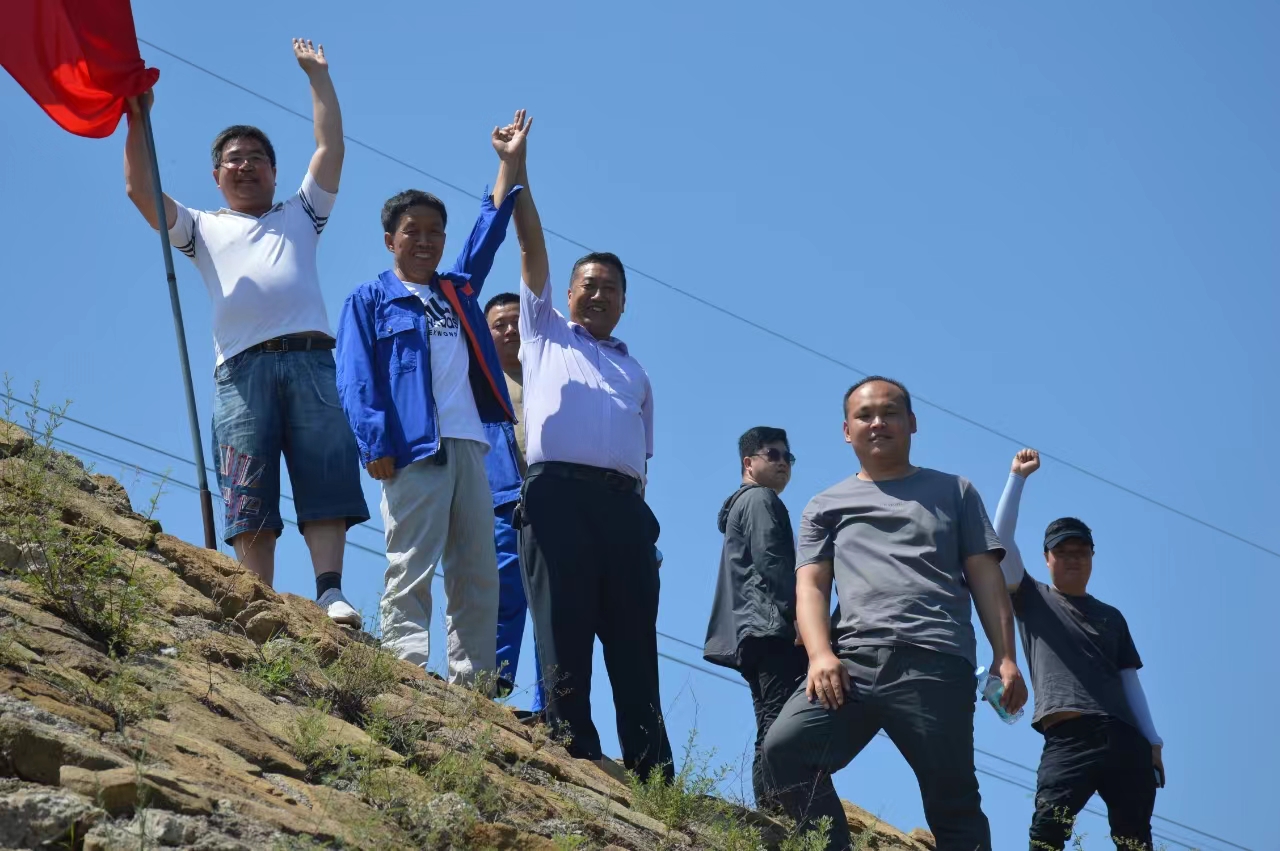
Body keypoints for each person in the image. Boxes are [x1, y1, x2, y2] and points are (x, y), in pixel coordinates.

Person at [122, 39, 368, 626]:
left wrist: (318, 77)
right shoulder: (202, 227)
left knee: (324, 472)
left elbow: (331, 147)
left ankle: (329, 591)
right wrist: (137, 118)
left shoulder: (301, 213)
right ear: (216, 175)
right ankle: (256, 597)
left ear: (274, 172)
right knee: (246, 481)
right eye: (234, 158)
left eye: (257, 157)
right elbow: (140, 191)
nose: (246, 164)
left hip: (311, 359)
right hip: (240, 369)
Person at [762, 376, 1027, 851]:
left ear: (912, 423)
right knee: (784, 750)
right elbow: (812, 586)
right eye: (864, 415)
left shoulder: (955, 492)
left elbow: (987, 579)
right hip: (851, 666)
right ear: (847, 430)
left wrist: (1005, 657)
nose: (877, 423)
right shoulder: (825, 506)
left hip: (935, 663)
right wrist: (820, 655)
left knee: (954, 804)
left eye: (890, 413)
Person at [333, 111, 527, 688]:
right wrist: (374, 443)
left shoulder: (456, 290)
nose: (424, 241)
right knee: (412, 561)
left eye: (434, 232)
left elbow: (488, 232)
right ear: (390, 239)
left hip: (471, 446)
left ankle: (473, 681)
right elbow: (355, 377)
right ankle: (404, 669)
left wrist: (507, 163)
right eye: (412, 231)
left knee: (477, 568)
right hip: (412, 448)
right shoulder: (370, 299)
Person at [508, 121, 674, 782]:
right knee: (564, 626)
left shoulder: (638, 372)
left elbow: (643, 460)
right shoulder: (543, 331)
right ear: (569, 292)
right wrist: (516, 169)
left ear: (625, 302)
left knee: (635, 643)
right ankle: (572, 746)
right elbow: (530, 243)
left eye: (611, 287)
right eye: (589, 284)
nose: (599, 293)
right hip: (558, 497)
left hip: (625, 510)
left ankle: (652, 773)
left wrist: (640, 526)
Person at [994, 449, 1164, 850]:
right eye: (1062, 552)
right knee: (1047, 833)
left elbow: (1129, 681)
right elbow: (998, 542)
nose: (1073, 559)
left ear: (1091, 557)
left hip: (1126, 739)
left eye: (1081, 552)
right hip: (1069, 737)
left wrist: (1154, 743)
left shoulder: (1112, 616)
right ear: (1046, 558)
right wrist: (1017, 478)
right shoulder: (1031, 596)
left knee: (1134, 841)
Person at [703, 426, 806, 811]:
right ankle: (779, 808)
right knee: (781, 723)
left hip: (752, 631)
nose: (783, 463)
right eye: (772, 455)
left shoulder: (743, 504)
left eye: (787, 457)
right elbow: (773, 562)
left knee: (770, 720)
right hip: (771, 628)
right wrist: (802, 618)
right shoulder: (761, 499)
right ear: (749, 463)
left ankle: (772, 807)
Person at [483, 289, 545, 713]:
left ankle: (550, 702)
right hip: (499, 501)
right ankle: (491, 682)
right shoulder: (476, 383)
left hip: (551, 501)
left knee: (551, 603)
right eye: (498, 325)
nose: (509, 330)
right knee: (502, 591)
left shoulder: (551, 378)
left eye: (515, 322)